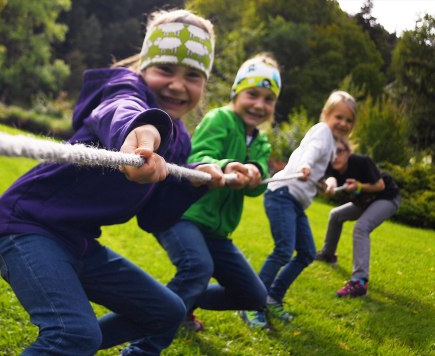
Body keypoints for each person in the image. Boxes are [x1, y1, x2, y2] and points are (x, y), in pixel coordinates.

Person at [0, 9, 224, 355]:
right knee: (75, 335)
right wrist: (141, 131)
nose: (177, 84)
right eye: (166, 70)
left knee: (167, 312)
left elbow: (153, 217)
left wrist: (192, 182)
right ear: (144, 67)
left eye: (193, 75)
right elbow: (119, 110)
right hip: (27, 226)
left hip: (77, 241)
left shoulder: (181, 140)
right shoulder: (123, 87)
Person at [124, 52, 280, 353]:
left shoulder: (261, 142)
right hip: (185, 214)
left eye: (268, 99)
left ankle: (182, 302)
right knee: (197, 266)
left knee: (254, 296)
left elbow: (256, 187)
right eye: (252, 94)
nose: (260, 105)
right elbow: (198, 158)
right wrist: (228, 164)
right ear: (237, 92)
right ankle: (142, 344)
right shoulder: (219, 118)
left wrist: (254, 172)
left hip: (217, 231)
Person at [241, 90, 357, 328]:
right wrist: (304, 166)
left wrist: (325, 183)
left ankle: (273, 297)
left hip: (295, 201)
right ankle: (251, 303)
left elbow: (319, 170)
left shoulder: (333, 145)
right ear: (326, 114)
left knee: (306, 253)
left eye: (348, 120)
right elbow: (309, 153)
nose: (343, 123)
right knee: (283, 250)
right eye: (339, 117)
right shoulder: (322, 132)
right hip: (283, 194)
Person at [315, 137, 401, 297]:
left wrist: (359, 186)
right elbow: (332, 178)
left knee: (361, 227)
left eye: (339, 152)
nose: (335, 156)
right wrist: (331, 185)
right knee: (335, 215)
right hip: (364, 201)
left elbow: (380, 185)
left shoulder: (361, 161)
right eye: (331, 153)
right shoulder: (332, 166)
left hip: (386, 197)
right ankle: (328, 254)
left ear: (348, 152)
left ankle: (359, 282)